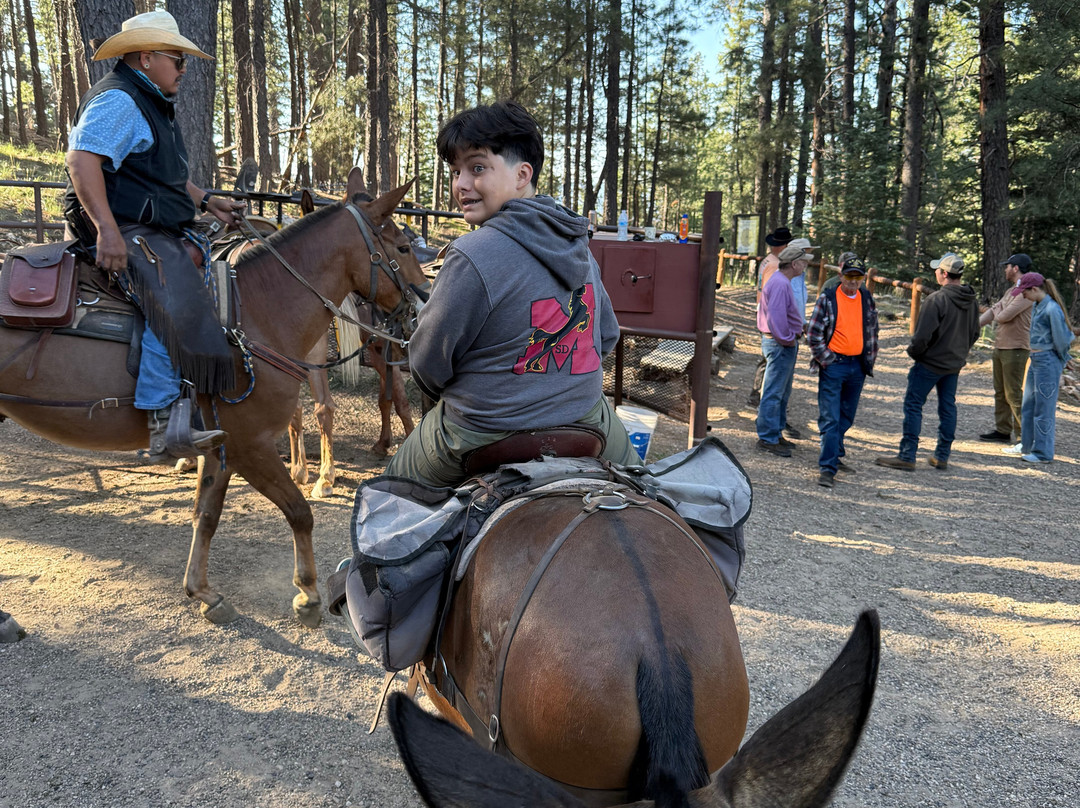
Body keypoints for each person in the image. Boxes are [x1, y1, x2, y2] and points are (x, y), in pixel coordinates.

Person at [384, 100, 638, 488]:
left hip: (481, 430)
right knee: (648, 486)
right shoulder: (578, 246)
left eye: (477, 167)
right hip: (586, 419)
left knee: (390, 500)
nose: (461, 184)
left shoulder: (471, 254)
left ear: (522, 175)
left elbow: (426, 362)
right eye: (455, 172)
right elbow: (605, 336)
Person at [64, 11, 245, 462]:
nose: (184, 69)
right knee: (173, 293)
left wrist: (206, 201)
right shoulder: (122, 100)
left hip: (141, 223)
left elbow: (157, 173)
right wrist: (107, 230)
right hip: (119, 225)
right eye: (177, 59)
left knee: (187, 275)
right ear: (146, 57)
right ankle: (164, 420)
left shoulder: (148, 100)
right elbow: (82, 162)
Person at [876, 253, 980, 472]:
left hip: (930, 363)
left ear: (944, 274)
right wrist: (961, 352)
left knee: (914, 405)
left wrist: (915, 353)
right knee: (948, 407)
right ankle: (942, 455)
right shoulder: (971, 301)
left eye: (937, 270)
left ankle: (907, 455)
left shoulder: (936, 299)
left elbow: (922, 336)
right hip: (953, 364)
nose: (935, 273)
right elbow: (975, 332)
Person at [807, 256, 879, 488]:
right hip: (834, 364)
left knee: (847, 415)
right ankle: (827, 468)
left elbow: (873, 329)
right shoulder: (828, 298)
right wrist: (826, 359)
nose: (853, 282)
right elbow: (813, 333)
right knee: (830, 417)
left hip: (857, 365)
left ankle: (834, 454)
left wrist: (869, 359)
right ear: (840, 276)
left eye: (858, 277)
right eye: (849, 276)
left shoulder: (866, 298)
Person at [755, 238, 816, 457]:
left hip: (782, 342)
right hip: (780, 343)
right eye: (804, 262)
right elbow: (777, 318)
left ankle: (775, 433)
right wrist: (788, 338)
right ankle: (767, 437)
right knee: (773, 391)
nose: (806, 266)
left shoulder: (782, 281)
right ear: (794, 264)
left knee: (781, 391)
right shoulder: (781, 283)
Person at [1011, 272, 1076, 463]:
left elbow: (1062, 339)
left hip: (1047, 361)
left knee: (1044, 407)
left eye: (1025, 292)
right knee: (1028, 404)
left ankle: (1043, 453)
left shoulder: (1052, 309)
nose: (1023, 295)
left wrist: (1064, 359)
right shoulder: (1037, 306)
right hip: (1035, 359)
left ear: (1035, 289)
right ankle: (1028, 444)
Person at [978, 253, 1033, 450]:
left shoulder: (1027, 291)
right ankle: (1002, 430)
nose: (1004, 269)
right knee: (1000, 392)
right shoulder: (1012, 290)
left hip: (1016, 348)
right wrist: (973, 327)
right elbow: (995, 311)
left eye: (1007, 266)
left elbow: (1004, 315)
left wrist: (1000, 310)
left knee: (1013, 394)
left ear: (1015, 268)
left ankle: (1024, 436)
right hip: (1001, 346)